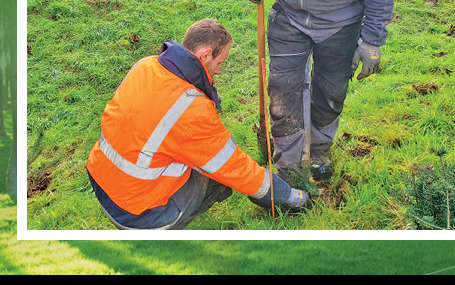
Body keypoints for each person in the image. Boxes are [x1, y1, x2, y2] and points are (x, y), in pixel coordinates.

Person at [87, 18, 309, 230]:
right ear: (205, 55)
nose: (219, 70)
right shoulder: (191, 111)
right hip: (139, 214)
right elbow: (235, 167)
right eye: (220, 62)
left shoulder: (146, 66)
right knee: (218, 175)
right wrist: (288, 196)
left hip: (103, 183)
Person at [242, 0, 395, 187]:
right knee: (282, 92)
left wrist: (372, 40)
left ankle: (318, 150)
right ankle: (289, 166)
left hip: (340, 23)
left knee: (331, 90)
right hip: (288, 14)